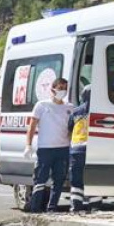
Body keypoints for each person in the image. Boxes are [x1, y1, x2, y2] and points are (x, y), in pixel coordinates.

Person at [24, 78, 74, 213]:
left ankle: (52, 208)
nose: (62, 91)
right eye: (60, 87)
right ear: (52, 89)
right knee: (40, 180)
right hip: (45, 149)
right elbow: (32, 126)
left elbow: (70, 129)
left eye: (65, 88)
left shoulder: (69, 107)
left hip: (63, 149)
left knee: (59, 180)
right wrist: (28, 145)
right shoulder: (42, 105)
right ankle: (35, 208)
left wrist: (71, 145)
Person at [68, 85, 91, 213]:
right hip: (92, 150)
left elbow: (69, 127)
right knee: (93, 178)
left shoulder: (76, 111)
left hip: (76, 149)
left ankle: (76, 206)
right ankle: (95, 206)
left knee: (76, 180)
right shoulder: (99, 111)